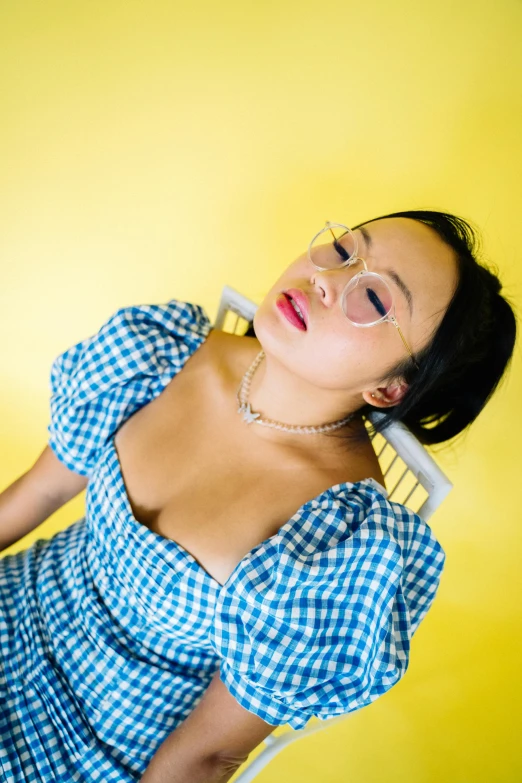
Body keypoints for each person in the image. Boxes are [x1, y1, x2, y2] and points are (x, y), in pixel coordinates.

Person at [0, 210, 516, 783]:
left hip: (81, 743)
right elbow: (39, 490)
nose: (327, 280)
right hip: (16, 600)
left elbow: (207, 756)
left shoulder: (337, 544)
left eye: (373, 299)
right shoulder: (162, 352)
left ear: (390, 387)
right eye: (345, 251)